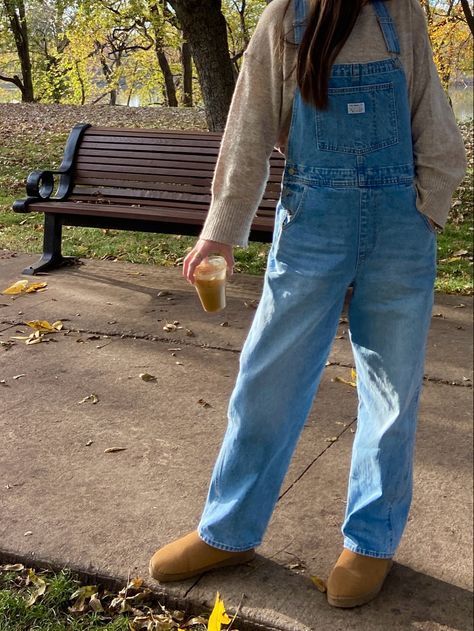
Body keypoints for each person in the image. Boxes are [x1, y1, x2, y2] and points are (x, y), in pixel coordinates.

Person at [149, 0, 467, 608]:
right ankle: (230, 530)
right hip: (311, 232)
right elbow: (247, 127)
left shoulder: (401, 15)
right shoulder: (282, 20)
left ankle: (371, 542)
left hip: (401, 232)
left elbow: (433, 115)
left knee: (392, 392)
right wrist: (219, 230)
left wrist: (430, 206)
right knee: (266, 380)